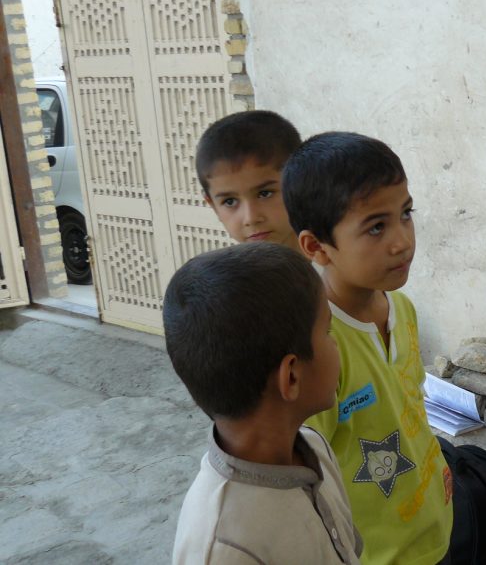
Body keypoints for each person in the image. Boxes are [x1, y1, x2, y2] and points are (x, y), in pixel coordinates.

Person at [282, 132, 454, 564]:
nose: (402, 241)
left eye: (406, 214)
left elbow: (410, 402)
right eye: (376, 226)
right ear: (316, 247)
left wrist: (437, 466)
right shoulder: (319, 349)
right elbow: (308, 470)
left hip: (433, 529)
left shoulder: (403, 309)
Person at [165, 242, 362, 564]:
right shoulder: (223, 548)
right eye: (327, 331)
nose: (336, 343)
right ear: (292, 377)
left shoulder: (314, 448)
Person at [196, 110, 302, 250]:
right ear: (213, 206)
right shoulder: (220, 272)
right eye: (230, 201)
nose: (250, 218)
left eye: (265, 194)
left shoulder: (335, 265)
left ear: (301, 184)